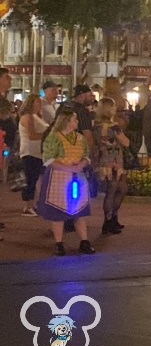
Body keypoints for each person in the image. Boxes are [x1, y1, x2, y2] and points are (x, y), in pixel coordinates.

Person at [36, 107, 96, 256]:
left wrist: (81, 164)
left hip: (77, 176)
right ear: (67, 121)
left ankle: (84, 241)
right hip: (59, 177)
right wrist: (67, 168)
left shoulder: (80, 138)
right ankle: (58, 243)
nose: (77, 122)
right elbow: (48, 159)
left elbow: (87, 156)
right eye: (74, 119)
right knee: (58, 211)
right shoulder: (54, 137)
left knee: (80, 211)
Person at [94, 97, 131, 234]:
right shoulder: (114, 127)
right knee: (116, 189)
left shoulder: (96, 126)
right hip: (115, 161)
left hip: (105, 160)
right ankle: (109, 220)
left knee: (115, 189)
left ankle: (111, 218)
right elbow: (126, 142)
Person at [18, 94, 48, 216]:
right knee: (29, 179)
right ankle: (27, 205)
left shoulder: (37, 116)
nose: (39, 105)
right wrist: (46, 135)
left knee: (35, 178)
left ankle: (32, 203)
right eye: (37, 102)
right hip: (29, 151)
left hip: (37, 152)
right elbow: (32, 135)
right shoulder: (28, 117)